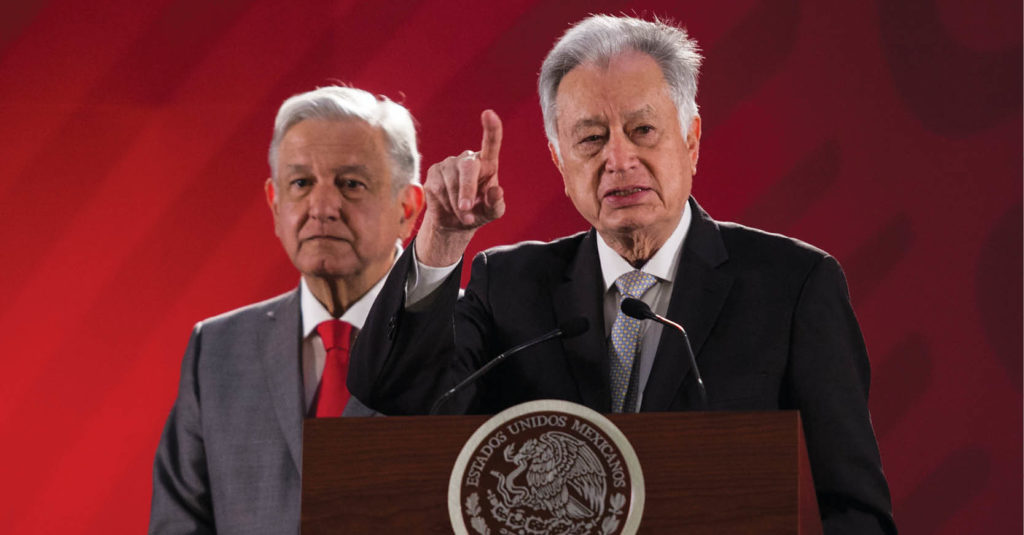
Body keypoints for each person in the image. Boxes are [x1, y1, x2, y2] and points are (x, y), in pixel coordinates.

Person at [348, 15, 897, 534]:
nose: (618, 158)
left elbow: (852, 511)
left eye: (642, 130)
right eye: (590, 139)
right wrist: (441, 239)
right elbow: (398, 394)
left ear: (691, 140)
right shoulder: (510, 285)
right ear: (560, 160)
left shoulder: (793, 285)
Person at [149, 86, 425, 534]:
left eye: (351, 184)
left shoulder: (466, 335)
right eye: (301, 184)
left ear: (407, 207)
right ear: (275, 204)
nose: (322, 207)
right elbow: (178, 522)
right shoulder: (216, 350)